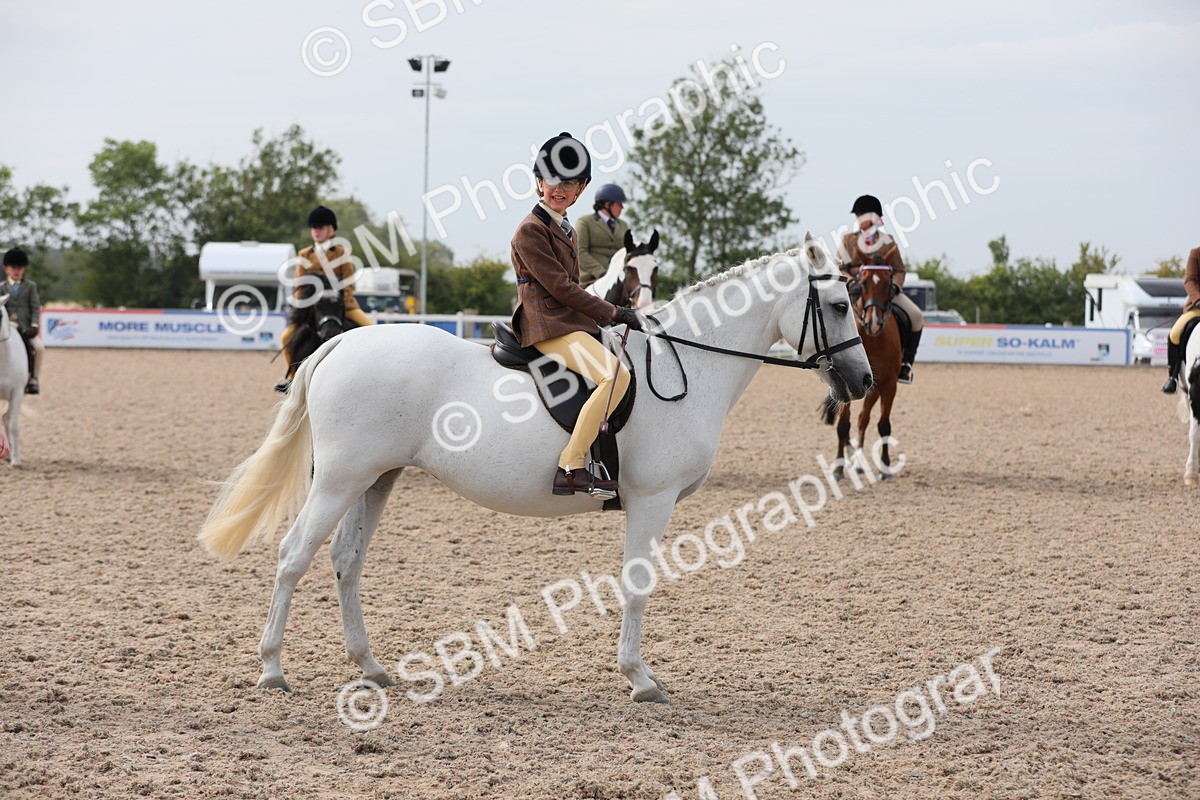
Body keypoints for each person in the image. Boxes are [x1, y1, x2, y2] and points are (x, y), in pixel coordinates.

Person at [511, 133, 643, 496]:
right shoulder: (530, 230)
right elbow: (562, 289)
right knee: (615, 376)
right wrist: (613, 312)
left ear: (581, 188)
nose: (559, 188)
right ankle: (570, 463)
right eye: (552, 180)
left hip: (568, 321)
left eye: (569, 183)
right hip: (547, 324)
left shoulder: (565, 226)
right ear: (539, 182)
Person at [274, 206, 375, 392]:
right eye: (314, 228)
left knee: (371, 330)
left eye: (320, 227)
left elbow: (348, 284)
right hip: (312, 308)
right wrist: (305, 305)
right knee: (286, 336)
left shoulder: (341, 253)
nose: (316, 231)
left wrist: (336, 304)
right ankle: (292, 376)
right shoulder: (304, 255)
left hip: (342, 305)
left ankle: (372, 373)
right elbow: (299, 286)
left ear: (331, 230)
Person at [839, 195, 924, 383]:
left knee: (916, 316)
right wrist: (852, 281)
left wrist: (894, 286)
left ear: (875, 218)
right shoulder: (847, 240)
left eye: (863, 214)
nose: (859, 219)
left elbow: (900, 270)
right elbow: (840, 268)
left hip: (883, 291)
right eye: (858, 215)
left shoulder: (888, 241)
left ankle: (905, 364)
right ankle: (832, 363)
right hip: (855, 290)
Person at [1, 247, 44, 395]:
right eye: (13, 267)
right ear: (6, 269)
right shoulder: (1, 287)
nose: (17, 271)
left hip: (26, 327)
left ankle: (33, 379)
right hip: (8, 327)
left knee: (39, 348)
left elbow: (35, 306)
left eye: (20, 268)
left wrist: (34, 324)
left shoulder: (31, 286)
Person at [574, 183, 631, 284]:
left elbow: (626, 252)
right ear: (607, 204)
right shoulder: (584, 222)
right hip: (590, 279)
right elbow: (580, 252)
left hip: (617, 280)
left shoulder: (623, 225)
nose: (622, 208)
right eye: (619, 204)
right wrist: (601, 272)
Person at [1162, 246, 1200, 394]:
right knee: (1175, 333)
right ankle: (1173, 376)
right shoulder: (1196, 253)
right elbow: (1190, 281)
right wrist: (1197, 299)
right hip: (1197, 308)